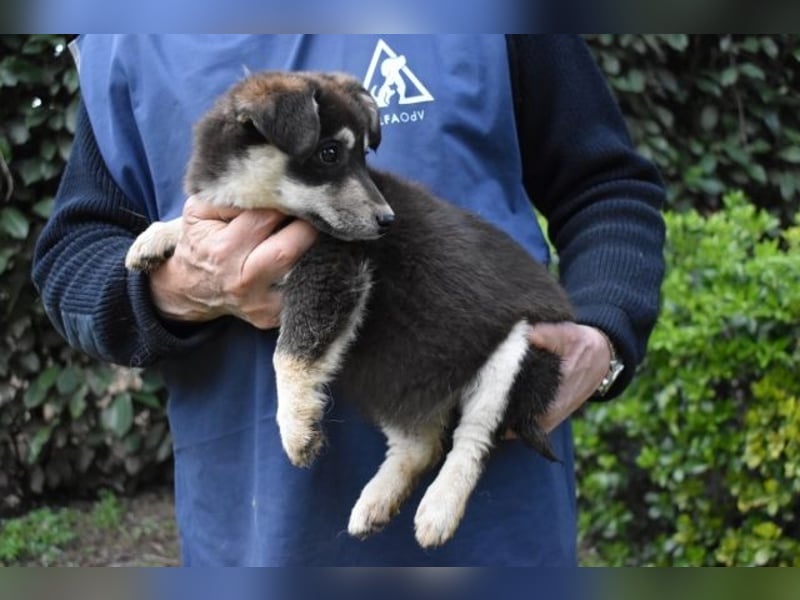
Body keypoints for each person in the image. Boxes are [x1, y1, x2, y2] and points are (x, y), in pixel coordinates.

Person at [32, 34, 666, 566]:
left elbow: (606, 184)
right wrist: (174, 288)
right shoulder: (127, 37)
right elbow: (73, 257)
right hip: (259, 534)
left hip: (496, 524)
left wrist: (602, 336)